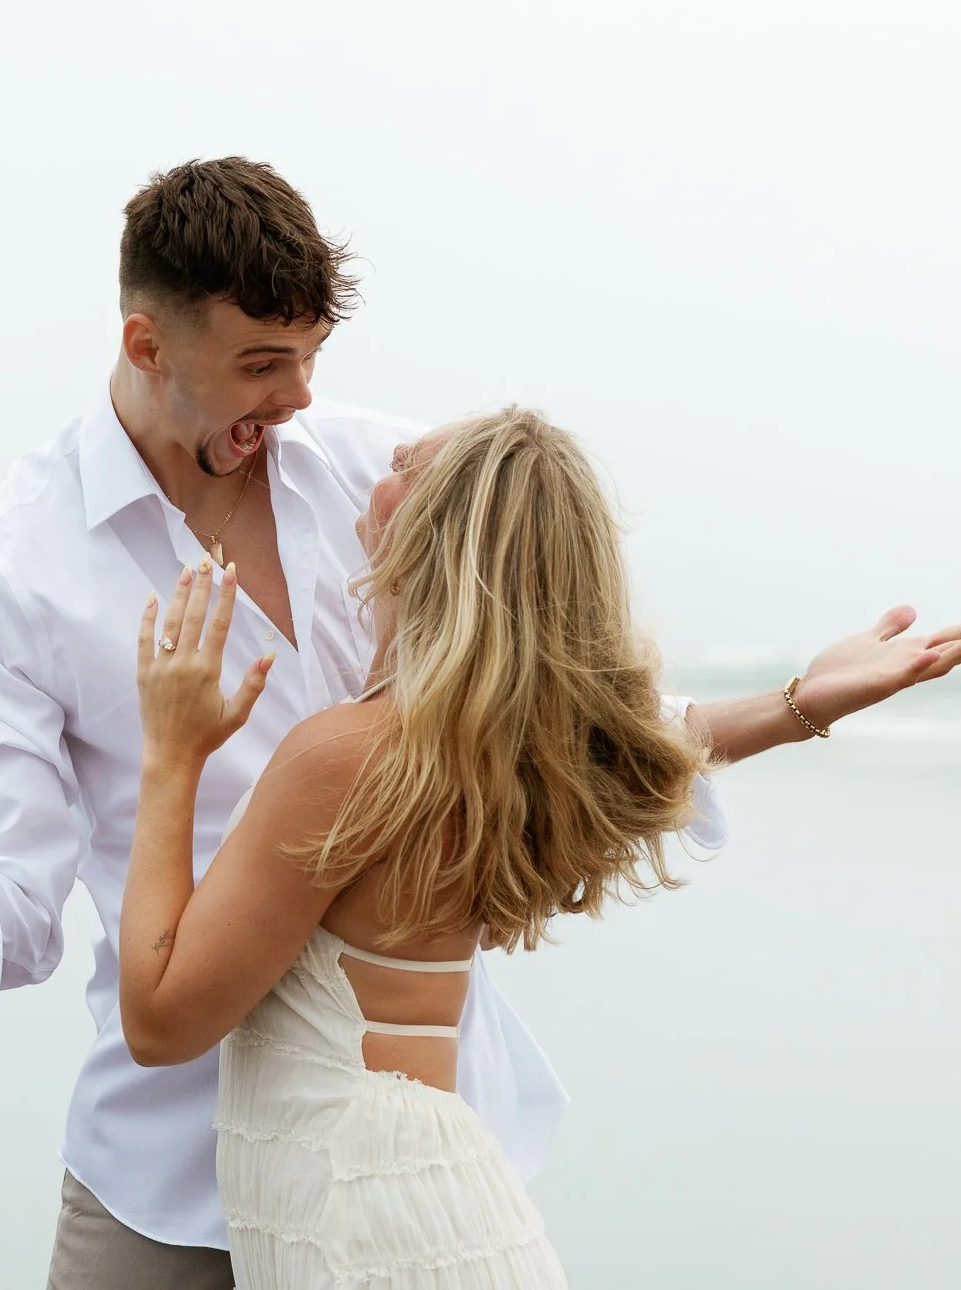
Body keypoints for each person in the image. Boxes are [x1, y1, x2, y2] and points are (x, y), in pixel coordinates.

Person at [0, 157, 961, 1288]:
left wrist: (795, 705)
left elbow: (546, 716)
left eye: (310, 355)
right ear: (147, 344)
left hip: (399, 1146)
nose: (300, 397)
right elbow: (11, 912)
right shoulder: (5, 572)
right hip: (166, 1162)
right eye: (261, 362)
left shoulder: (382, 474)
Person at [122, 409, 707, 1286]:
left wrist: (171, 754)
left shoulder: (345, 757)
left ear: (432, 531)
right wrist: (798, 705)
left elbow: (160, 1020)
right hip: (419, 1206)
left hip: (365, 1219)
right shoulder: (485, 755)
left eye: (402, 464)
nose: (374, 470)